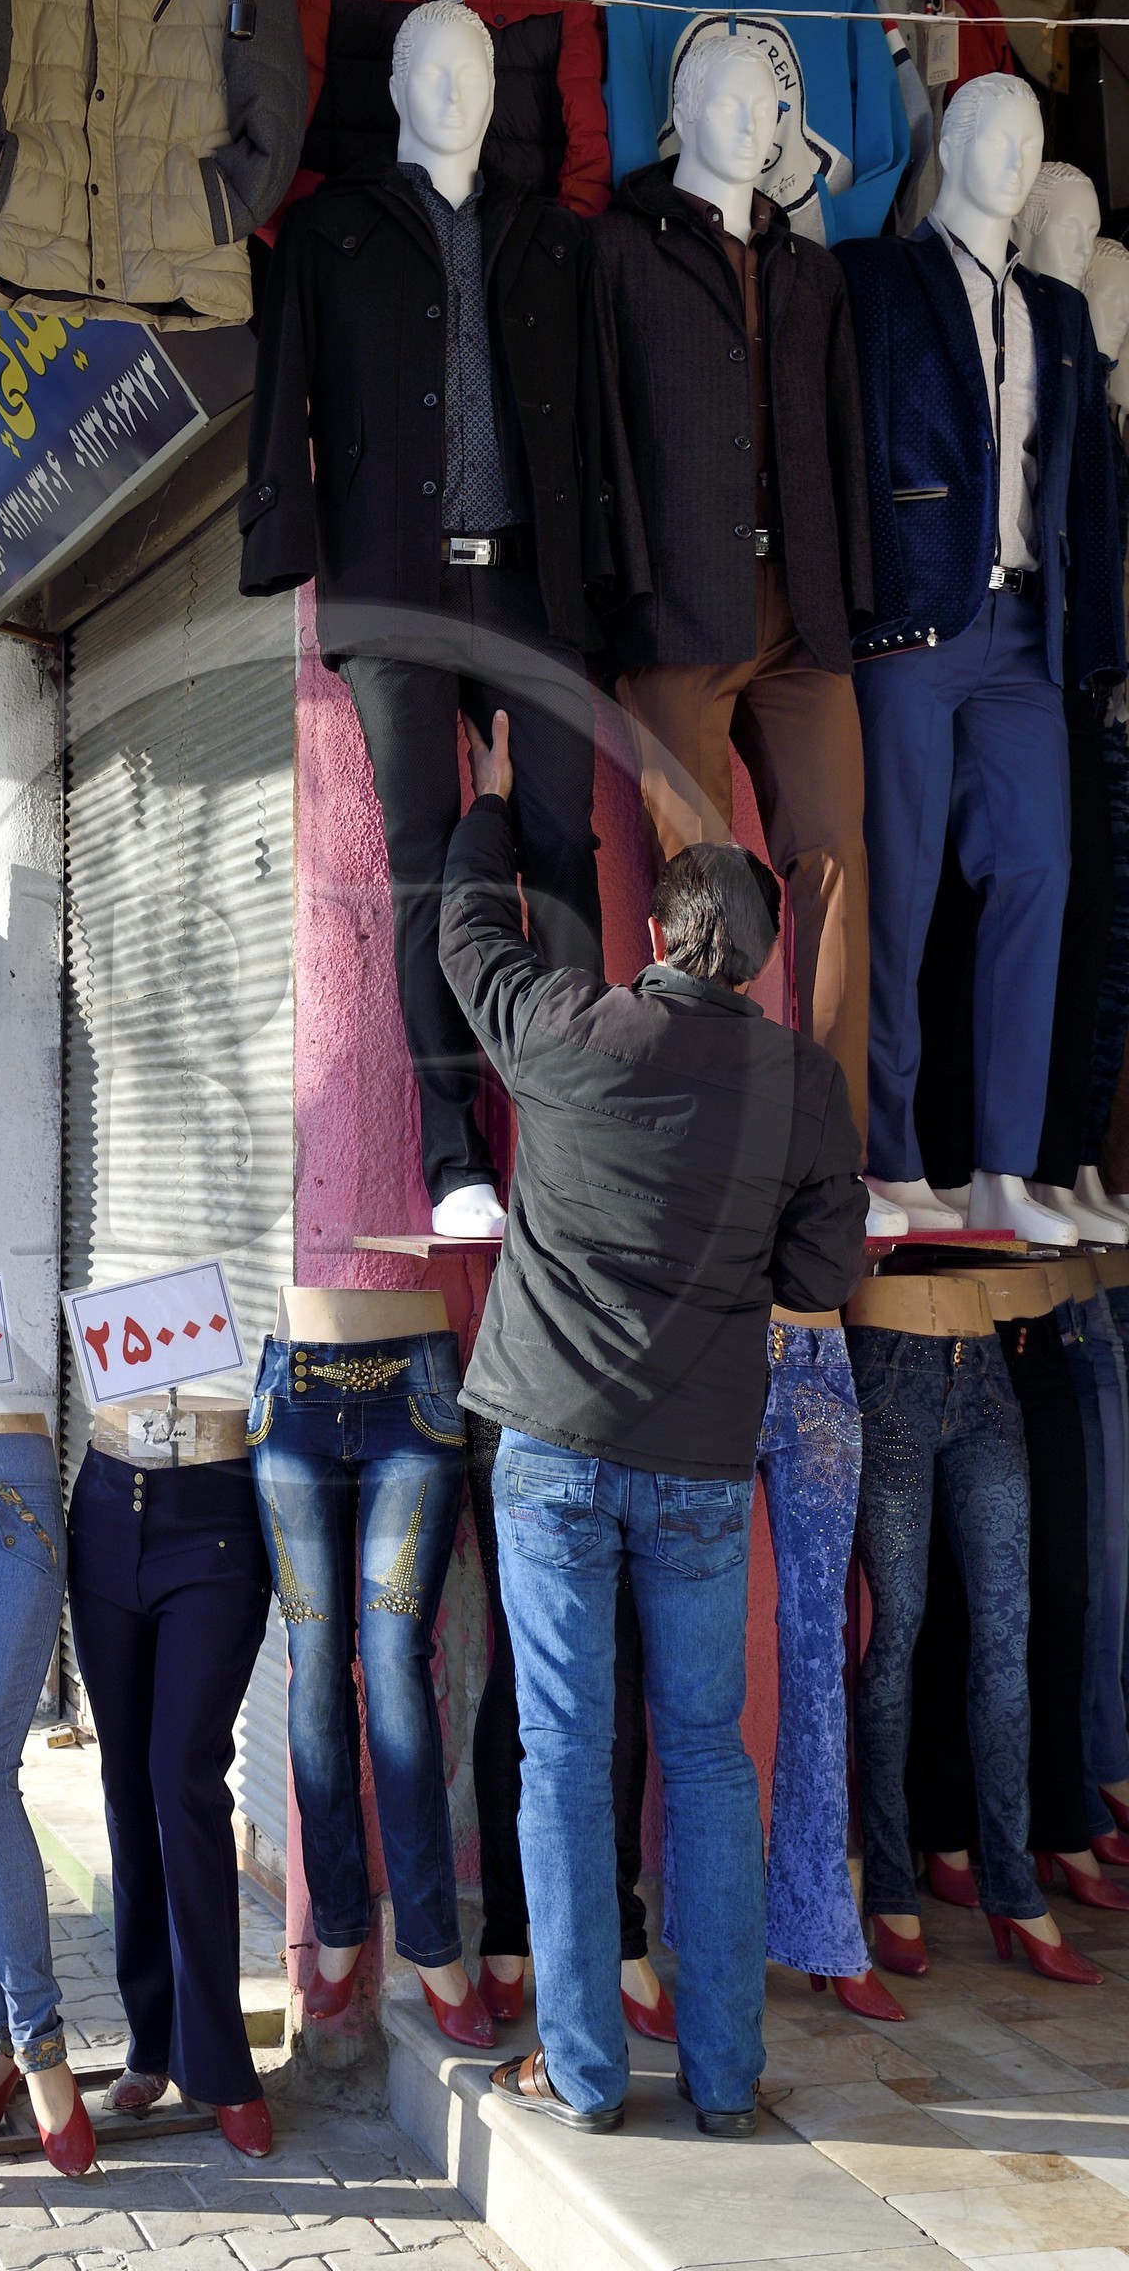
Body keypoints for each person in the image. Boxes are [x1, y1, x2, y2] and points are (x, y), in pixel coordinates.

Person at [439, 710, 867, 2139]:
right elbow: (820, 1276)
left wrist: (493, 811)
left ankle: (583, 2072)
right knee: (705, 1755)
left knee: (562, 1752)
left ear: (663, 937)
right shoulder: (803, 1090)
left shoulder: (575, 1030)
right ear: (752, 963)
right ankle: (730, 2080)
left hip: (554, 1448)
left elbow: (466, 950)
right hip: (696, 1464)